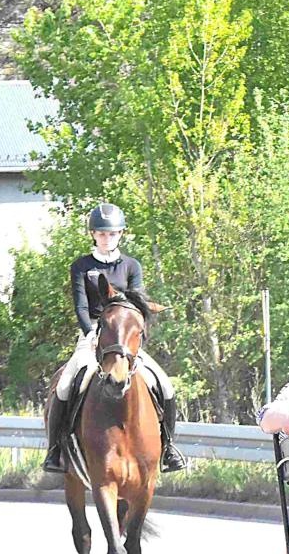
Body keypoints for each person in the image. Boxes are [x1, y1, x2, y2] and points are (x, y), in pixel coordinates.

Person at [43, 203, 187, 474]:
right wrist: (91, 335)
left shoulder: (132, 266)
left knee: (165, 386)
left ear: (121, 234)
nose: (107, 238)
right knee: (64, 386)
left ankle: (168, 448)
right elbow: (81, 307)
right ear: (93, 235)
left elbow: (137, 305)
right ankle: (55, 450)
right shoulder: (81, 266)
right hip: (94, 333)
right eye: (101, 233)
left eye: (112, 234)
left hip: (124, 337)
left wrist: (132, 335)